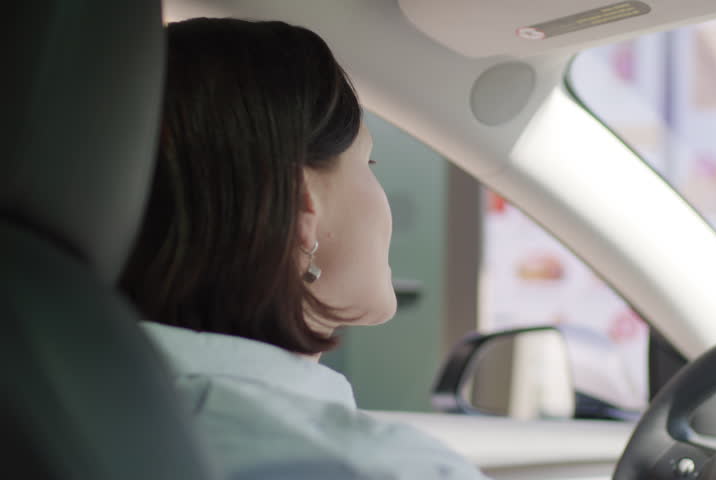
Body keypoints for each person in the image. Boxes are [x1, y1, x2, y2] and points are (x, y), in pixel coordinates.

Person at [120, 17, 488, 480]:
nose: (381, 192)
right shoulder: (373, 467)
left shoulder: (57, 404)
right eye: (367, 161)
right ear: (301, 204)